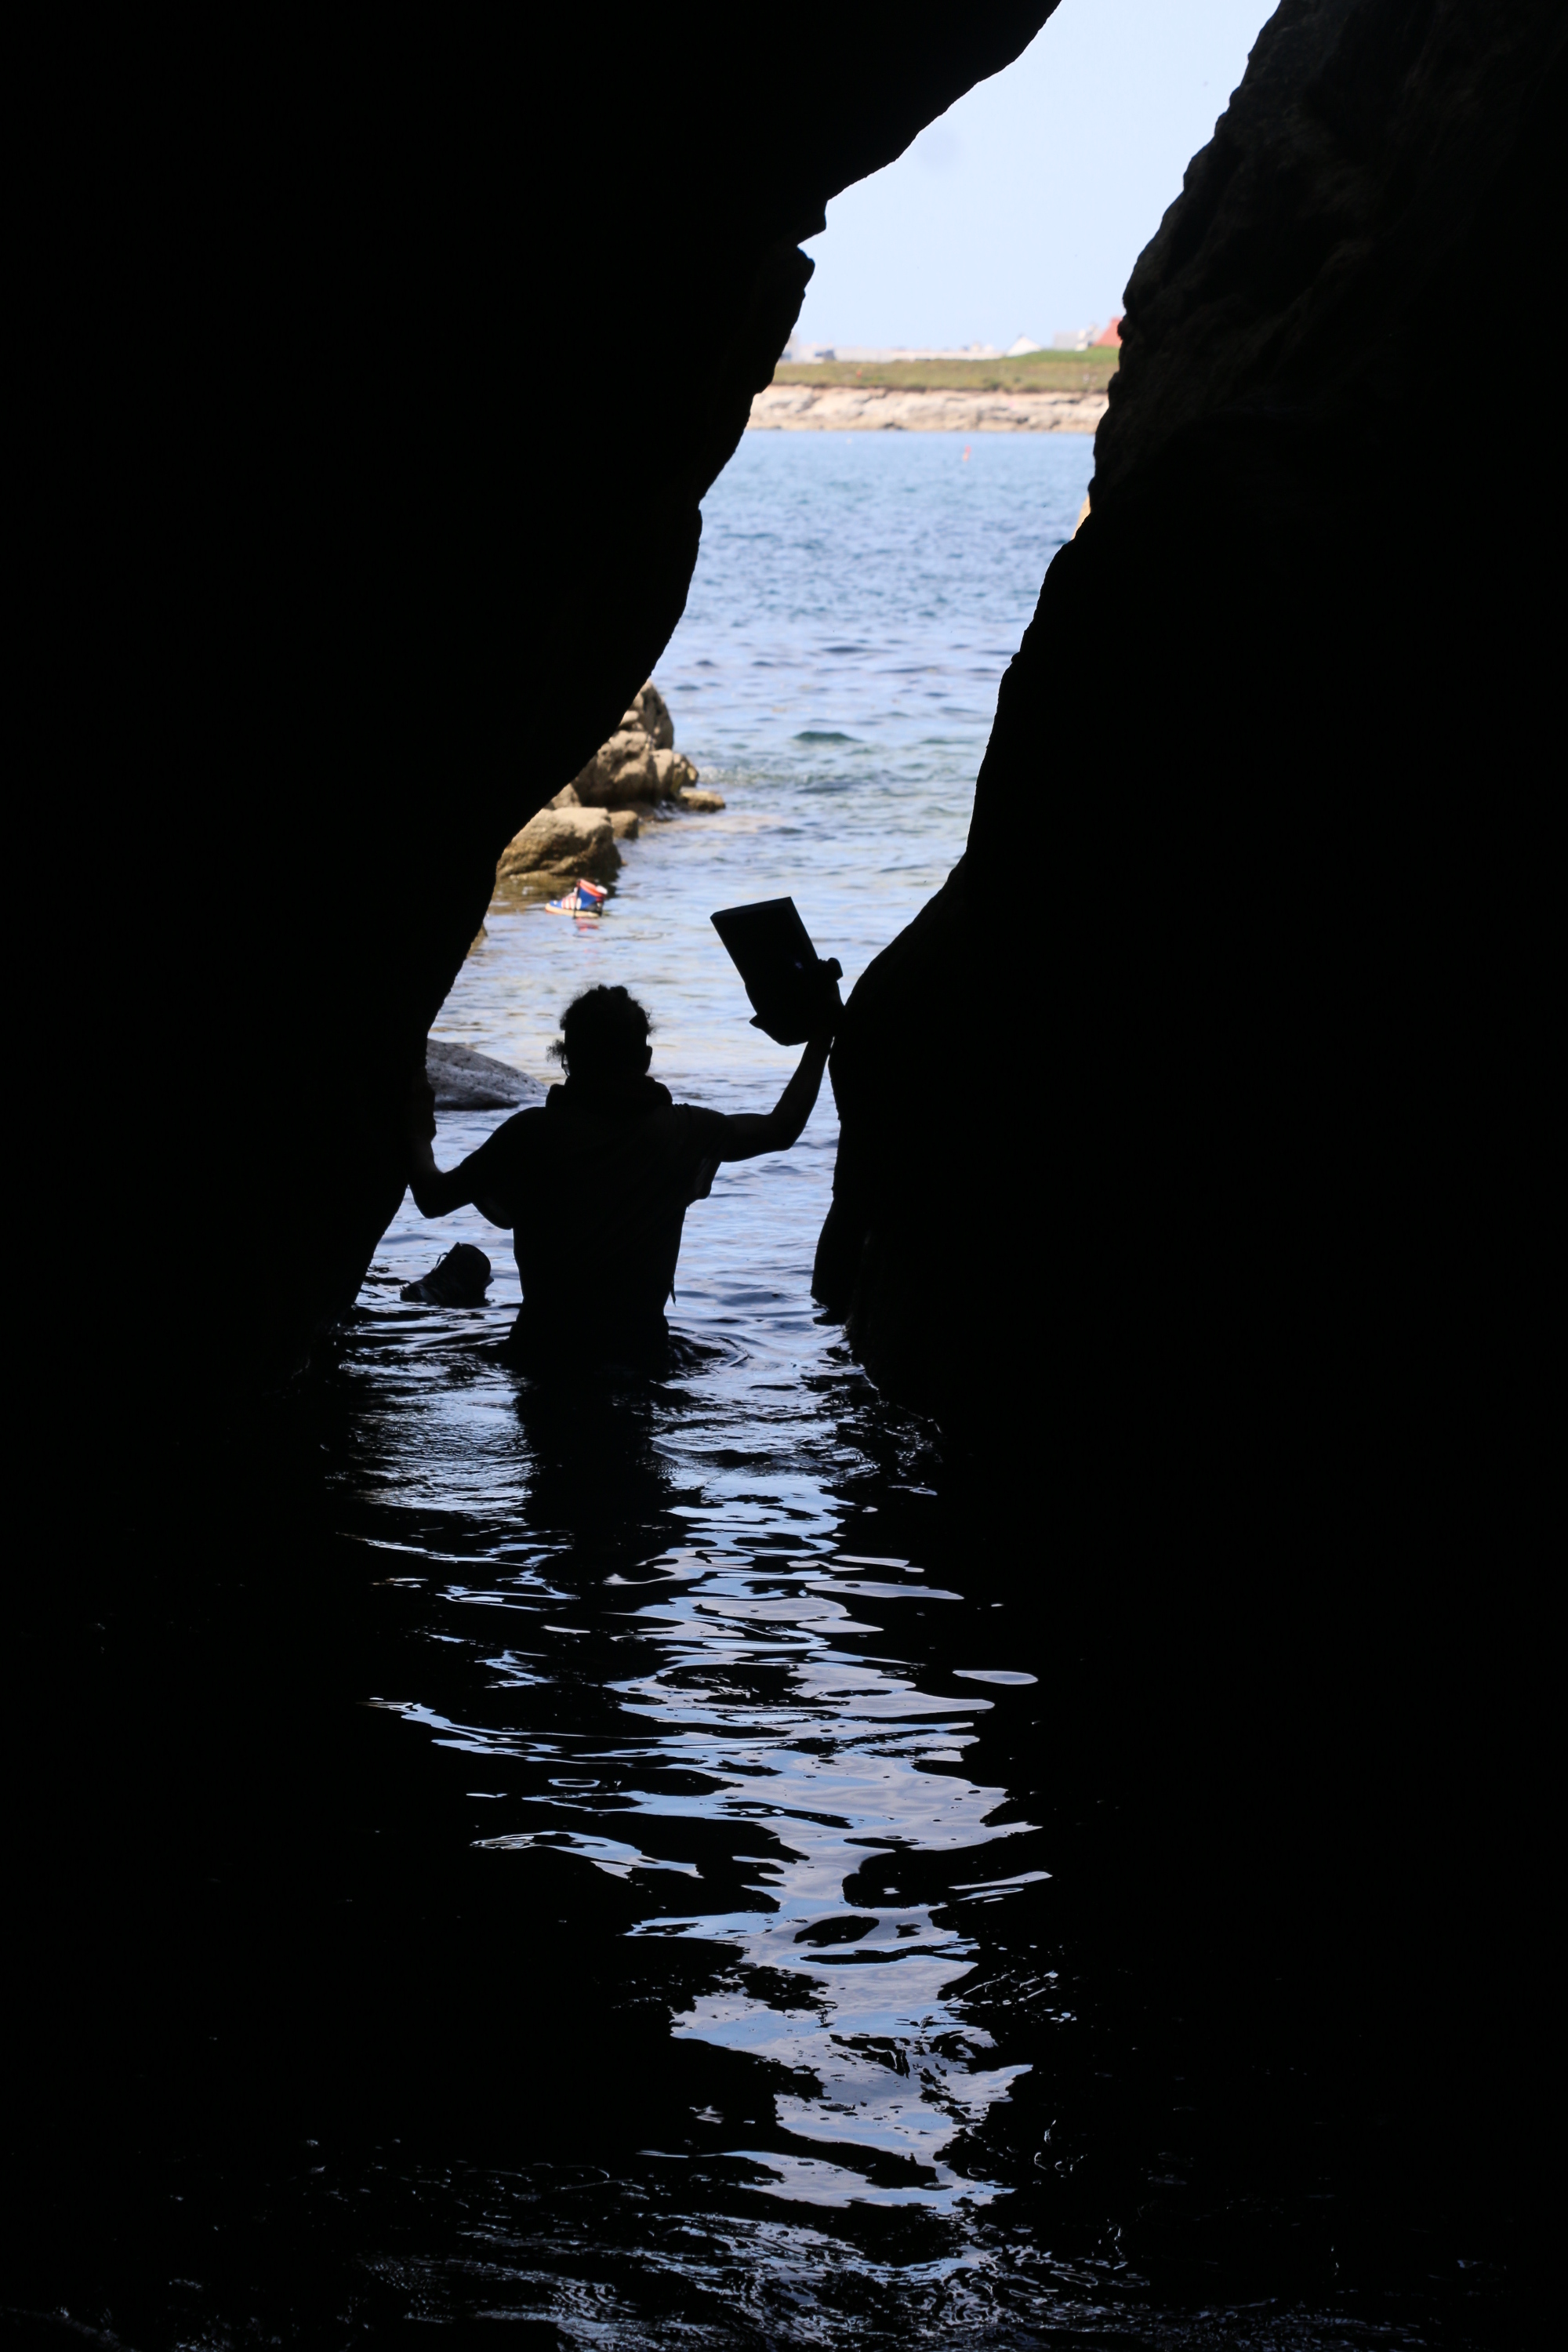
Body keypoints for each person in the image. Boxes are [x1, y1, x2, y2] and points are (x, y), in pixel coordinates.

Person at [405, 977, 840, 1369]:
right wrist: (822, 1036)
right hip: (641, 1355)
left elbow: (433, 1198)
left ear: (567, 1060)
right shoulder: (684, 1132)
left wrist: (417, 1132)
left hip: (541, 1353)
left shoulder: (530, 1133)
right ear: (645, 1058)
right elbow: (782, 1128)